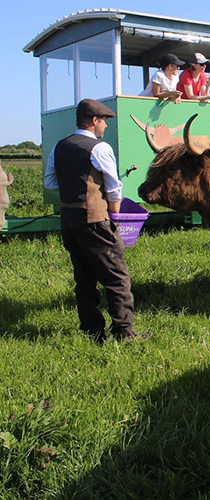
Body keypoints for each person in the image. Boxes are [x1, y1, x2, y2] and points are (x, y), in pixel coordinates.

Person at [44, 99, 151, 345]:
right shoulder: (99, 148)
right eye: (103, 122)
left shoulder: (59, 147)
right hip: (94, 220)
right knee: (117, 277)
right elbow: (114, 188)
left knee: (84, 278)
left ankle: (93, 333)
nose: (105, 127)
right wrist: (115, 217)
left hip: (68, 220)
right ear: (94, 121)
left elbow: (50, 182)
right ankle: (124, 333)